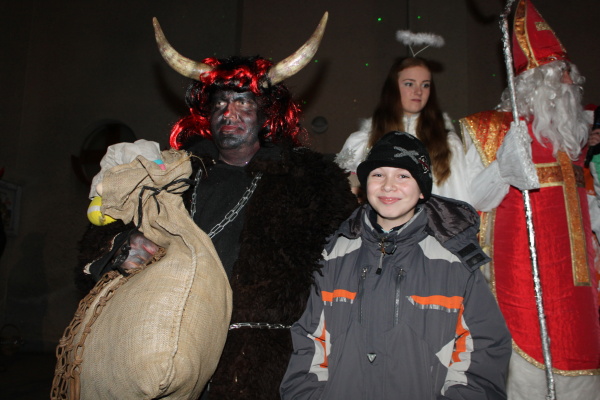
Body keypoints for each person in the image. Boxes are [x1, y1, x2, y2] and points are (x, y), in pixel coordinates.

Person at [77, 13, 358, 399]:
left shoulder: (310, 180)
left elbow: (351, 256)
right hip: (164, 349)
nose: (229, 113)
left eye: (243, 103)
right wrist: (123, 246)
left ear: (265, 113)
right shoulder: (171, 171)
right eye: (221, 103)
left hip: (259, 366)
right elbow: (102, 227)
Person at [281, 131, 511, 399]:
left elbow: (483, 351)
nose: (388, 186)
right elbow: (308, 342)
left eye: (403, 176)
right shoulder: (333, 256)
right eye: (378, 174)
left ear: (422, 189)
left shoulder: (454, 262)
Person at [460, 0, 600, 398]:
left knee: (583, 362)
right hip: (522, 276)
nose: (570, 84)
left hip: (578, 282)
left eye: (570, 75)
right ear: (535, 84)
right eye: (561, 75)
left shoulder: (573, 141)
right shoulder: (493, 130)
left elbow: (588, 206)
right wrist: (504, 167)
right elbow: (472, 201)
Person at [335, 57, 471, 204]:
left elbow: (459, 198)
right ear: (393, 88)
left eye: (425, 85)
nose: (418, 91)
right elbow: (343, 196)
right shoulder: (362, 141)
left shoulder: (447, 142)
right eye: (409, 84)